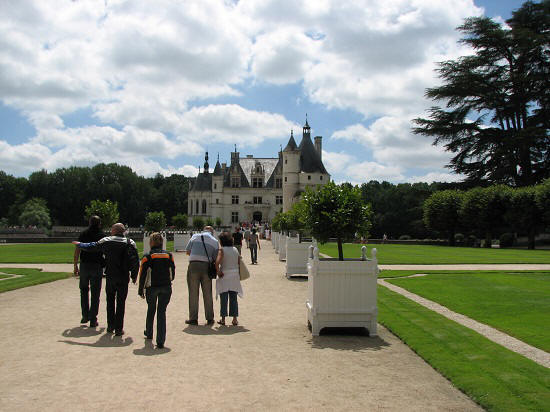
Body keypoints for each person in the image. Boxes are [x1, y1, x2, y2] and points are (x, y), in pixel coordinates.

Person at [73, 223, 139, 336]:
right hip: (123, 276)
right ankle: (119, 328)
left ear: (114, 230)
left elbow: (91, 246)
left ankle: (110, 326)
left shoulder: (107, 240)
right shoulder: (130, 242)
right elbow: (135, 261)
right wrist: (134, 275)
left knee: (110, 301)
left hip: (111, 275)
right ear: (123, 231)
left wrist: (80, 244)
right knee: (121, 302)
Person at [138, 232, 175, 349]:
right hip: (166, 286)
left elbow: (143, 274)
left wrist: (141, 289)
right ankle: (160, 340)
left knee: (151, 309)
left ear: (151, 242)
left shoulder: (147, 256)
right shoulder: (169, 255)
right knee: (161, 312)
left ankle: (149, 332)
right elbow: (172, 273)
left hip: (152, 287)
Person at [73, 215, 104, 327]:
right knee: (95, 293)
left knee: (84, 291)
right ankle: (93, 318)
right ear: (99, 223)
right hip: (97, 266)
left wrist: (75, 265)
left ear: (90, 223)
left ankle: (85, 315)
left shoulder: (83, 234)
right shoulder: (102, 235)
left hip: (85, 265)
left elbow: (77, 250)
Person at [185, 226, 219, 326]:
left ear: (203, 230)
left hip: (193, 265)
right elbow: (215, 258)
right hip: (206, 267)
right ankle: (209, 318)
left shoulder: (195, 236)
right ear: (212, 232)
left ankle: (193, 318)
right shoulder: (214, 241)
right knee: (207, 293)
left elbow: (187, 251)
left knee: (193, 293)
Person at [215, 231, 243, 326]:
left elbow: (217, 262)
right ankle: (234, 319)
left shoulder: (222, 250)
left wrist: (218, 271)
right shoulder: (235, 249)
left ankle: (223, 319)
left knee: (224, 297)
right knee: (233, 297)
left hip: (225, 275)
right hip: (234, 275)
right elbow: (239, 262)